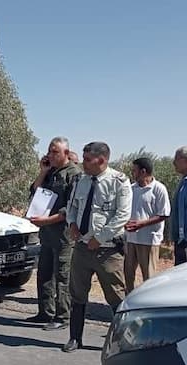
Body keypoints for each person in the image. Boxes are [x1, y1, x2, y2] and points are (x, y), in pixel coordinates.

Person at [63, 141, 131, 352]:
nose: (83, 163)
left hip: (108, 250)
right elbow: (72, 206)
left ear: (101, 160)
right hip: (83, 247)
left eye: (87, 159)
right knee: (77, 294)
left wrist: (100, 238)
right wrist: (72, 224)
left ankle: (121, 342)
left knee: (116, 297)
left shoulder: (119, 181)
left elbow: (122, 215)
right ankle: (75, 338)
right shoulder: (81, 180)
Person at [26, 137, 82, 330]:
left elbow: (71, 208)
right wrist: (43, 172)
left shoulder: (74, 174)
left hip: (63, 235)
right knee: (44, 274)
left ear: (66, 153)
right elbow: (34, 192)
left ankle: (63, 316)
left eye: (55, 152)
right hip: (47, 234)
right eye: (49, 151)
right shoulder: (50, 173)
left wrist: (48, 220)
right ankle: (45, 312)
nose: (50, 155)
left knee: (62, 276)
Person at [124, 157, 170, 292]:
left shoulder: (158, 189)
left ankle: (149, 301)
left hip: (149, 239)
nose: (132, 173)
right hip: (131, 239)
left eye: (134, 170)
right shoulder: (131, 189)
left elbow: (164, 214)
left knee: (149, 275)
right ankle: (129, 301)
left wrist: (142, 224)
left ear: (143, 171)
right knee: (128, 273)